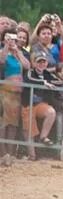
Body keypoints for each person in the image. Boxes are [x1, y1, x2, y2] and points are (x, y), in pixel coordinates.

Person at [0, 29, 30, 159]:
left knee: (13, 123)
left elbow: (27, 66)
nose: (13, 41)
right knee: (3, 123)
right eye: (10, 38)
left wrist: (17, 51)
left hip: (17, 94)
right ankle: (3, 152)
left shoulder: (19, 54)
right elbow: (1, 61)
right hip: (5, 92)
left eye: (14, 39)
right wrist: (6, 46)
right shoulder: (3, 52)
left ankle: (11, 152)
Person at [21, 52, 57, 158]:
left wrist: (49, 82)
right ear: (34, 63)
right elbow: (28, 80)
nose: (41, 64)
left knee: (51, 112)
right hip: (28, 105)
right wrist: (44, 83)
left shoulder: (48, 74)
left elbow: (59, 82)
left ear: (46, 63)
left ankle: (43, 137)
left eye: (44, 61)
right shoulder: (30, 72)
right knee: (28, 130)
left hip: (41, 104)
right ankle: (32, 155)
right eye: (39, 62)